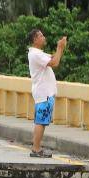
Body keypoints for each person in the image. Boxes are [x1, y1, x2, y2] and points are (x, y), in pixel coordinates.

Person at [26, 27, 66, 158]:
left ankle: (37, 148)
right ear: (35, 39)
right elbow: (55, 63)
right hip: (43, 93)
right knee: (41, 121)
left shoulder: (38, 53)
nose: (44, 37)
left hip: (44, 93)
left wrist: (60, 48)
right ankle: (36, 149)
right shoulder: (36, 54)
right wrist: (59, 47)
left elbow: (53, 58)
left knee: (42, 121)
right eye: (41, 36)